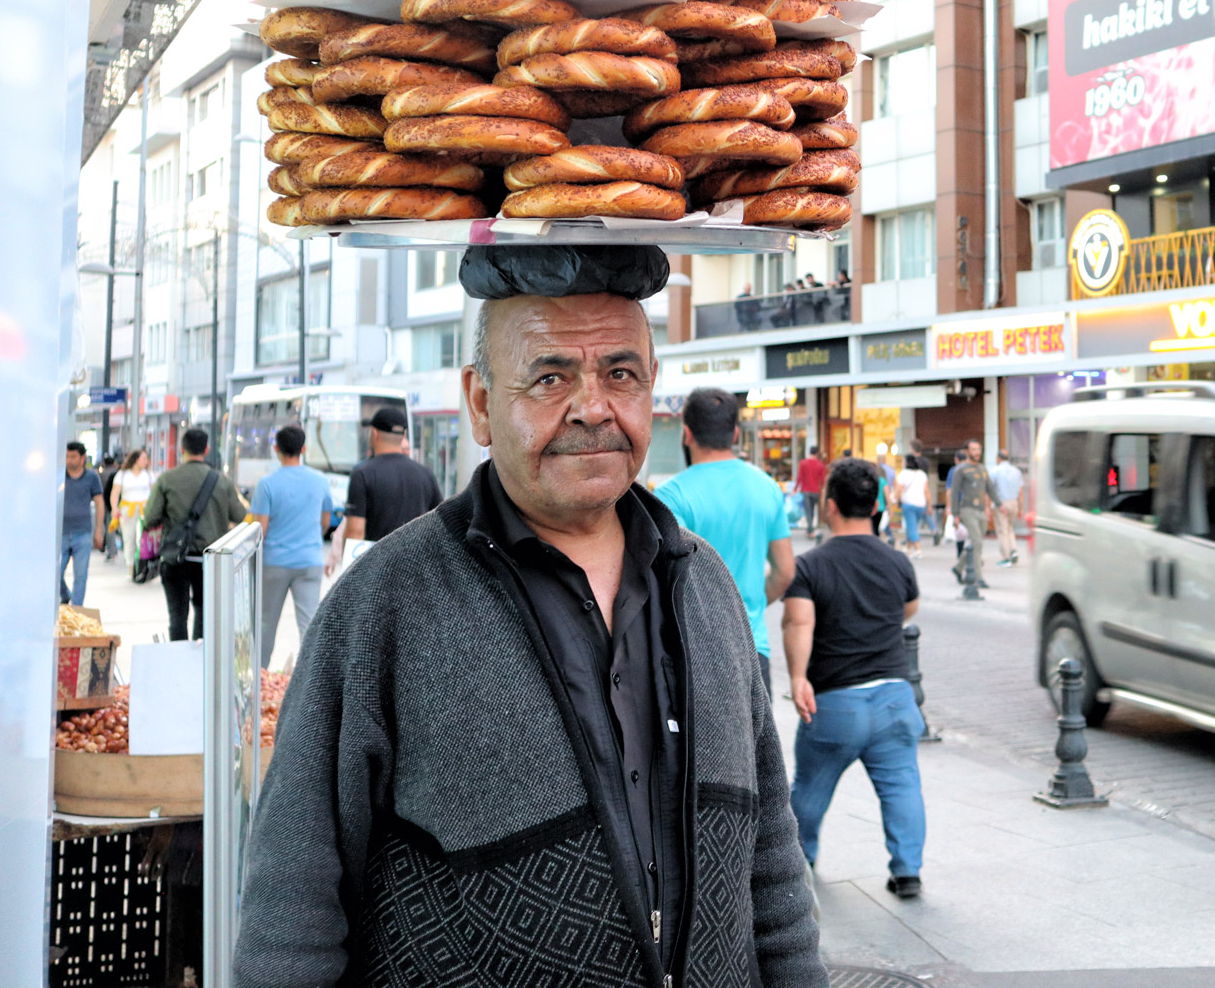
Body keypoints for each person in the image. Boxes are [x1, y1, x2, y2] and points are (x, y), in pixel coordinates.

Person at [237, 244, 822, 986]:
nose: (593, 406)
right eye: (551, 376)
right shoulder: (382, 604)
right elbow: (293, 908)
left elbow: (769, 861)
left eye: (621, 373)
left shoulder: (703, 586)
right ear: (480, 402)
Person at [782, 458, 925, 897]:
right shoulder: (897, 561)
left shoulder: (809, 566)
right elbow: (908, 611)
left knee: (809, 787)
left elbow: (798, 623)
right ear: (876, 504)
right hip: (895, 700)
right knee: (902, 787)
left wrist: (799, 677)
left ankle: (799, 864)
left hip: (837, 705)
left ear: (829, 506)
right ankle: (907, 872)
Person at [657, 387, 796, 690]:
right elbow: (785, 572)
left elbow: (669, 579)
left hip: (696, 650)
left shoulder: (671, 496)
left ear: (687, 433)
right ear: (734, 434)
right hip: (753, 645)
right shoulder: (767, 487)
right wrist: (752, 604)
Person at [142, 427, 247, 641]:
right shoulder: (221, 481)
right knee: (204, 613)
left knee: (177, 617)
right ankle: (200, 661)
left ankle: (180, 663)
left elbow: (150, 518)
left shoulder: (167, 479)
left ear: (182, 449)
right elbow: (239, 514)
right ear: (207, 449)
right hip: (209, 560)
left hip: (175, 559)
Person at [249, 425, 336, 669]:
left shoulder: (266, 485)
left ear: (276, 449)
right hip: (309, 561)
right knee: (309, 626)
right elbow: (325, 521)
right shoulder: (320, 481)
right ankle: (312, 682)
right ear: (304, 449)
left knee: (266, 625)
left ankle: (260, 677)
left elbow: (260, 529)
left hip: (273, 563)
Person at [332, 406, 442, 574]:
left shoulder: (362, 474)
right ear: (403, 436)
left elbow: (356, 531)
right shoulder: (425, 474)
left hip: (377, 570)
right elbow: (439, 524)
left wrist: (350, 573)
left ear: (374, 434)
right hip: (416, 569)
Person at [60, 442, 107, 606]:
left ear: (82, 458)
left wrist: (99, 530)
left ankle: (76, 610)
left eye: (72, 456)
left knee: (80, 576)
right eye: (66, 456)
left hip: (83, 534)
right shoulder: (59, 476)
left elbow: (100, 503)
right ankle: (64, 595)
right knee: (56, 573)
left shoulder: (92, 477)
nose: (68, 460)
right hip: (61, 534)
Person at [947, 440, 994, 590]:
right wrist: (954, 514)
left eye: (979, 449)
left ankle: (958, 567)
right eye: (974, 449)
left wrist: (999, 505)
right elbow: (954, 493)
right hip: (967, 510)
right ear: (967, 452)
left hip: (981, 511)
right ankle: (978, 578)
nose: (977, 452)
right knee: (977, 543)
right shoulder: (960, 470)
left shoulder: (982, 469)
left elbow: (990, 488)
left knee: (976, 542)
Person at [110, 448, 153, 567]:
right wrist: (114, 508)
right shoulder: (123, 474)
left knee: (143, 538)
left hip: (145, 509)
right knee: (129, 539)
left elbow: (154, 491)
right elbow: (115, 493)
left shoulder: (148, 474)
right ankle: (130, 566)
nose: (146, 461)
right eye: (143, 458)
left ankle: (142, 565)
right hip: (127, 510)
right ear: (136, 459)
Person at [989, 448, 1026, 566]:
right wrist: (1020, 508)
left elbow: (990, 491)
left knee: (1002, 530)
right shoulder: (1016, 471)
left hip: (1001, 504)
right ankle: (1013, 550)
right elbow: (1020, 492)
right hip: (1014, 503)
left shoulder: (995, 471)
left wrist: (988, 506)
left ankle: (1006, 557)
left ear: (998, 458)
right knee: (1010, 528)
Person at [896, 454, 929, 557]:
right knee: (912, 526)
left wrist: (897, 500)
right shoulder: (922, 474)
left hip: (909, 504)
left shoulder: (903, 474)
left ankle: (918, 550)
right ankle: (907, 547)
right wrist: (930, 504)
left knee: (912, 527)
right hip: (921, 504)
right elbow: (927, 491)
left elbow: (899, 490)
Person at [794, 448, 828, 535]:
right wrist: (823, 489)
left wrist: (795, 489)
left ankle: (810, 528)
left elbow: (800, 477)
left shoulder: (803, 463)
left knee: (807, 510)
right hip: (815, 490)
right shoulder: (820, 465)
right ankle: (810, 528)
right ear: (817, 453)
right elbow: (823, 480)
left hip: (805, 490)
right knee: (812, 509)